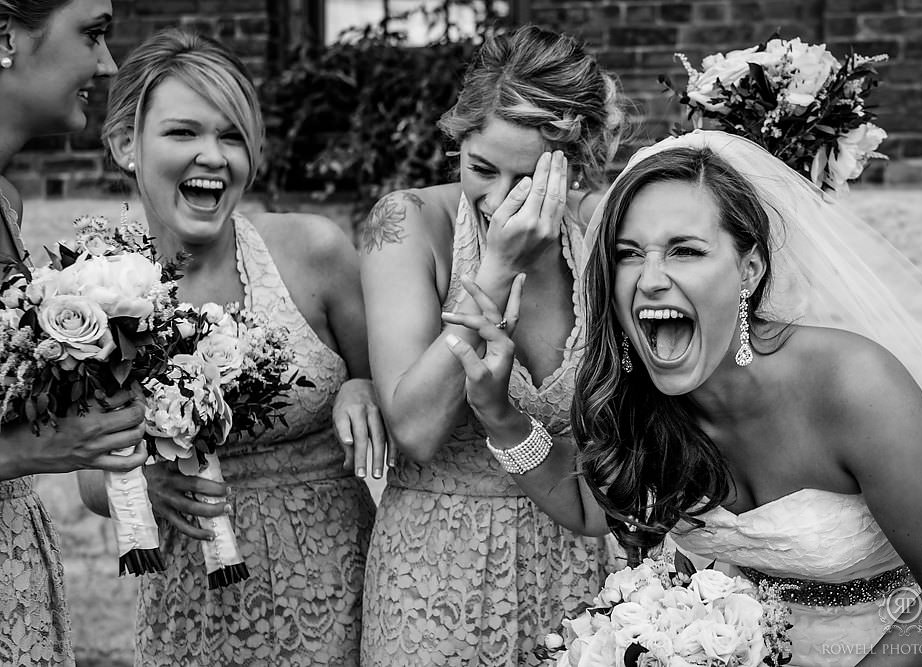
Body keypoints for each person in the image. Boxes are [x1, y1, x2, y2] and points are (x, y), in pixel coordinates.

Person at [445, 130, 922, 666]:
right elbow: (593, 508)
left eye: (685, 251)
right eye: (628, 254)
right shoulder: (638, 396)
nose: (651, 278)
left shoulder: (855, 385)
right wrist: (497, 411)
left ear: (749, 270)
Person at [76, 28, 384, 666]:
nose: (213, 156)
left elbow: (399, 389)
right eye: (183, 133)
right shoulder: (92, 296)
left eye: (232, 136)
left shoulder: (314, 252)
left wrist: (362, 383)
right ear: (123, 145)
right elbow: (90, 476)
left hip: (337, 585)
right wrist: (146, 486)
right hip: (192, 597)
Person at [358, 25, 628, 666]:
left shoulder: (605, 232)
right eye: (481, 169)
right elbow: (414, 432)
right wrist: (495, 270)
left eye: (531, 180)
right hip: (433, 569)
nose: (500, 201)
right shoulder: (406, 225)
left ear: (576, 165)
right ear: (458, 138)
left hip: (578, 559)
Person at [0, 1, 149, 663]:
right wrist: (38, 445)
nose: (108, 63)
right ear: (6, 37)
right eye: (92, 34)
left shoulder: (6, 201)